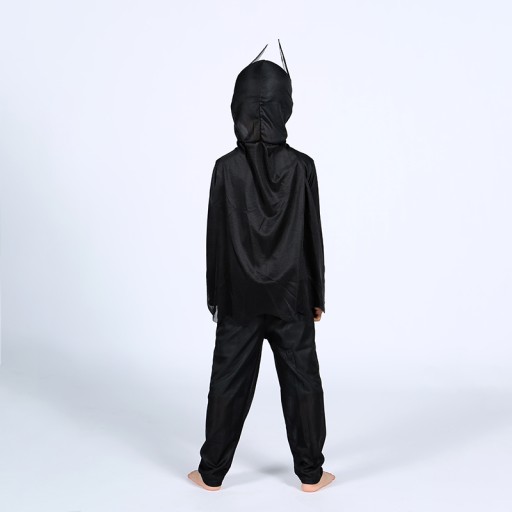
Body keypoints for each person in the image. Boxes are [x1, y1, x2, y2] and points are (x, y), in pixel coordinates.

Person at [188, 40, 335, 492]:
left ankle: (211, 473)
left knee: (228, 381)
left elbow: (215, 241)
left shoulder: (225, 168)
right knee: (303, 381)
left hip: (238, 298)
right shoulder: (302, 166)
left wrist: (216, 299)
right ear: (284, 106)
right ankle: (310, 474)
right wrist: (316, 296)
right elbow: (312, 236)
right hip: (292, 296)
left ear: (238, 105)